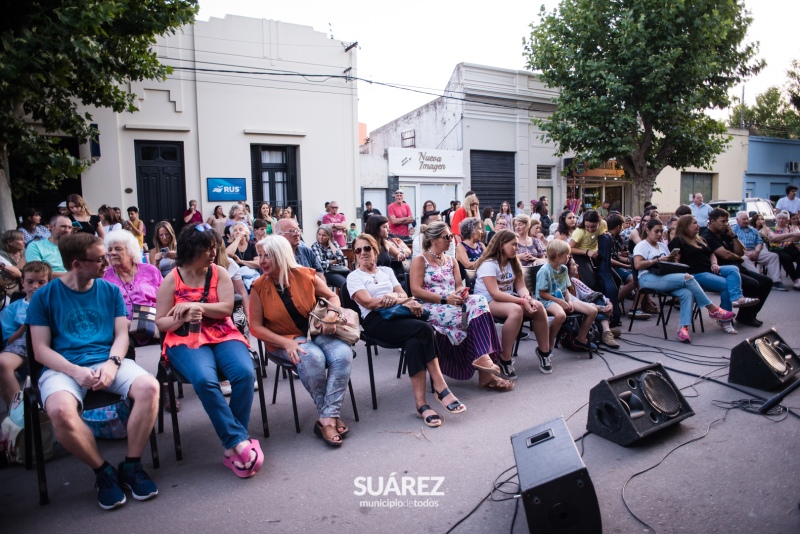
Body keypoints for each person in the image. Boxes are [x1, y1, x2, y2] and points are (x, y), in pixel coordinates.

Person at [28, 233, 160, 509]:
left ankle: (132, 466)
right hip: (63, 367)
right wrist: (75, 372)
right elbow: (40, 351)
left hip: (107, 359)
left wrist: (112, 364)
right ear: (77, 264)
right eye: (99, 259)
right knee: (60, 412)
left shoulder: (109, 290)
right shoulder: (44, 297)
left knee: (150, 387)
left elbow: (122, 335)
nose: (107, 263)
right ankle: (103, 471)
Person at [155, 223, 261, 478]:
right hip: (184, 338)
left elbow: (226, 309)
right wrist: (182, 318)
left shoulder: (219, 273)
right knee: (205, 379)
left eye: (215, 247)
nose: (213, 252)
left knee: (245, 374)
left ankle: (232, 445)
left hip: (223, 334)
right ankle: (238, 443)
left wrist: (193, 306)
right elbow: (161, 322)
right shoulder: (172, 278)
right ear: (192, 249)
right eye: (207, 248)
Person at [348, 234, 466, 428]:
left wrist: (393, 297)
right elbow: (367, 302)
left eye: (367, 248)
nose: (362, 253)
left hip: (397, 315)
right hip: (375, 322)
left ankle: (422, 404)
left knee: (414, 341)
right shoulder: (354, 277)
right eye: (358, 250)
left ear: (375, 250)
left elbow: (404, 294)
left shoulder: (386, 271)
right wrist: (392, 297)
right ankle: (439, 385)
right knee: (424, 328)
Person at [250, 236, 353, 446]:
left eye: (267, 255)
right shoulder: (258, 287)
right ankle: (330, 415)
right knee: (310, 356)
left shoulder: (305, 275)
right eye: (260, 255)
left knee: (342, 355)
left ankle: (327, 417)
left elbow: (333, 297)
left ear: (281, 255)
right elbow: (255, 327)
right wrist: (286, 343)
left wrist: (332, 315)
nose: (261, 261)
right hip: (284, 338)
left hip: (317, 331)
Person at [410, 221, 511, 392]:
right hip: (432, 305)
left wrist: (460, 292)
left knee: (479, 300)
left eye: (451, 236)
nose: (451, 240)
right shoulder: (420, 260)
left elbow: (457, 285)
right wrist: (444, 299)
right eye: (447, 237)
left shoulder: (451, 260)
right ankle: (485, 367)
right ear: (434, 240)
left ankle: (482, 359)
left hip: (453, 304)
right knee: (476, 318)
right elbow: (416, 290)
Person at [633, 218, 735, 342]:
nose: (660, 234)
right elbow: (638, 265)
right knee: (688, 277)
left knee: (687, 293)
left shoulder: (661, 246)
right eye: (656, 231)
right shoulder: (642, 245)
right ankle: (713, 309)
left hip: (663, 276)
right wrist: (658, 260)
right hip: (647, 279)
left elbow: (670, 264)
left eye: (661, 232)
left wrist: (671, 260)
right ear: (647, 230)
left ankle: (683, 328)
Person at [474, 230, 552, 377]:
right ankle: (505, 358)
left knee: (539, 307)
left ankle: (544, 352)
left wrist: (528, 298)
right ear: (502, 244)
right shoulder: (489, 264)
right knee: (517, 311)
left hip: (508, 298)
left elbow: (521, 286)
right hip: (485, 301)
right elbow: (494, 293)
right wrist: (522, 301)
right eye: (514, 245)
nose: (517, 248)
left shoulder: (513, 261)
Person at [669, 214, 758, 334]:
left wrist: (714, 264)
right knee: (726, 285)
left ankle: (737, 298)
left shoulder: (700, 239)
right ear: (685, 226)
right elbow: (676, 262)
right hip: (695, 274)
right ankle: (725, 320)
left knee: (733, 269)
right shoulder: (678, 240)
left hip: (709, 269)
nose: (698, 225)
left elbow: (712, 254)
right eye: (694, 223)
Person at [701, 209, 771, 328]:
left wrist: (733, 236)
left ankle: (749, 314)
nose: (725, 224)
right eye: (722, 221)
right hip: (723, 270)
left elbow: (740, 251)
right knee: (753, 284)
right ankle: (745, 317)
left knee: (767, 282)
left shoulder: (725, 233)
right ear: (712, 221)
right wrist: (739, 258)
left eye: (726, 221)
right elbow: (726, 254)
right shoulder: (707, 236)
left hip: (736, 267)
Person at [0, 261, 51, 406]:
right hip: (24, 344)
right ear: (22, 282)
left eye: (41, 282)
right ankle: (18, 413)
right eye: (30, 282)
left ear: (49, 283)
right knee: (2, 362)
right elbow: (9, 342)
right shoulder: (12, 309)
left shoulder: (56, 303)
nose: (35, 286)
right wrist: (26, 324)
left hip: (53, 341)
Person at [536, 240, 598, 357]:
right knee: (560, 315)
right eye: (567, 254)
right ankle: (549, 342)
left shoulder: (563, 269)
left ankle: (581, 338)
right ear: (558, 256)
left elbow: (566, 289)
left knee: (592, 310)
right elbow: (542, 294)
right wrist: (560, 302)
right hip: (548, 300)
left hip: (563, 297)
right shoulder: (544, 271)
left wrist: (569, 301)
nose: (569, 257)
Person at [103, 229, 163, 341]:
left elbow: (165, 297)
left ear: (131, 252)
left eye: (118, 249)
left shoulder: (151, 270)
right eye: (110, 249)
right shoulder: (104, 276)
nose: (112, 253)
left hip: (154, 325)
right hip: (122, 329)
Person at [566, 257, 619, 348]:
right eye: (574, 264)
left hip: (585, 308)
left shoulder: (574, 281)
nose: (578, 265)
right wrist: (601, 308)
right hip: (574, 311)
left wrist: (608, 303)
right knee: (594, 308)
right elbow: (577, 303)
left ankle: (605, 332)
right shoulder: (562, 285)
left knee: (597, 297)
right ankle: (604, 331)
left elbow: (591, 293)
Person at [766, 210, 800, 290]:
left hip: (790, 247)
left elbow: (798, 236)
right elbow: (773, 237)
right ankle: (796, 280)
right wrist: (791, 235)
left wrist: (779, 238)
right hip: (776, 249)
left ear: (787, 220)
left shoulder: (793, 227)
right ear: (776, 220)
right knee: (786, 257)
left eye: (783, 219)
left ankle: (799, 278)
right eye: (779, 218)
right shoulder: (771, 229)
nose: (781, 220)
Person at [312, 225, 348, 290]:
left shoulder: (334, 244)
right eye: (319, 234)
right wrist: (335, 261)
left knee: (354, 281)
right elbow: (320, 264)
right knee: (345, 284)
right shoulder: (315, 246)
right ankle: (343, 300)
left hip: (340, 269)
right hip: (327, 272)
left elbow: (341, 257)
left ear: (329, 236)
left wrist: (331, 244)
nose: (321, 237)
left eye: (324, 235)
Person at [1, 230, 27, 294]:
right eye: (21, 240)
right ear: (10, 242)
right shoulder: (2, 255)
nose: (25, 242)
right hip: (8, 288)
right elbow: (14, 274)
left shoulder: (25, 251)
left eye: (24, 239)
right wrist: (24, 258)